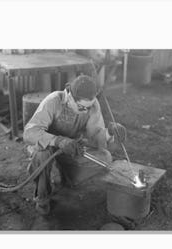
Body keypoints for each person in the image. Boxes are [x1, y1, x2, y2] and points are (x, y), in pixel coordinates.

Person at [23, 75, 126, 215]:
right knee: (42, 155)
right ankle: (43, 197)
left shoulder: (92, 105)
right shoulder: (54, 100)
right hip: (48, 146)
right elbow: (30, 133)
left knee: (105, 157)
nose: (86, 110)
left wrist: (110, 134)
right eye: (81, 107)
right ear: (70, 96)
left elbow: (95, 135)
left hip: (72, 147)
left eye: (88, 107)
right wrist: (58, 141)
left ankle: (69, 175)